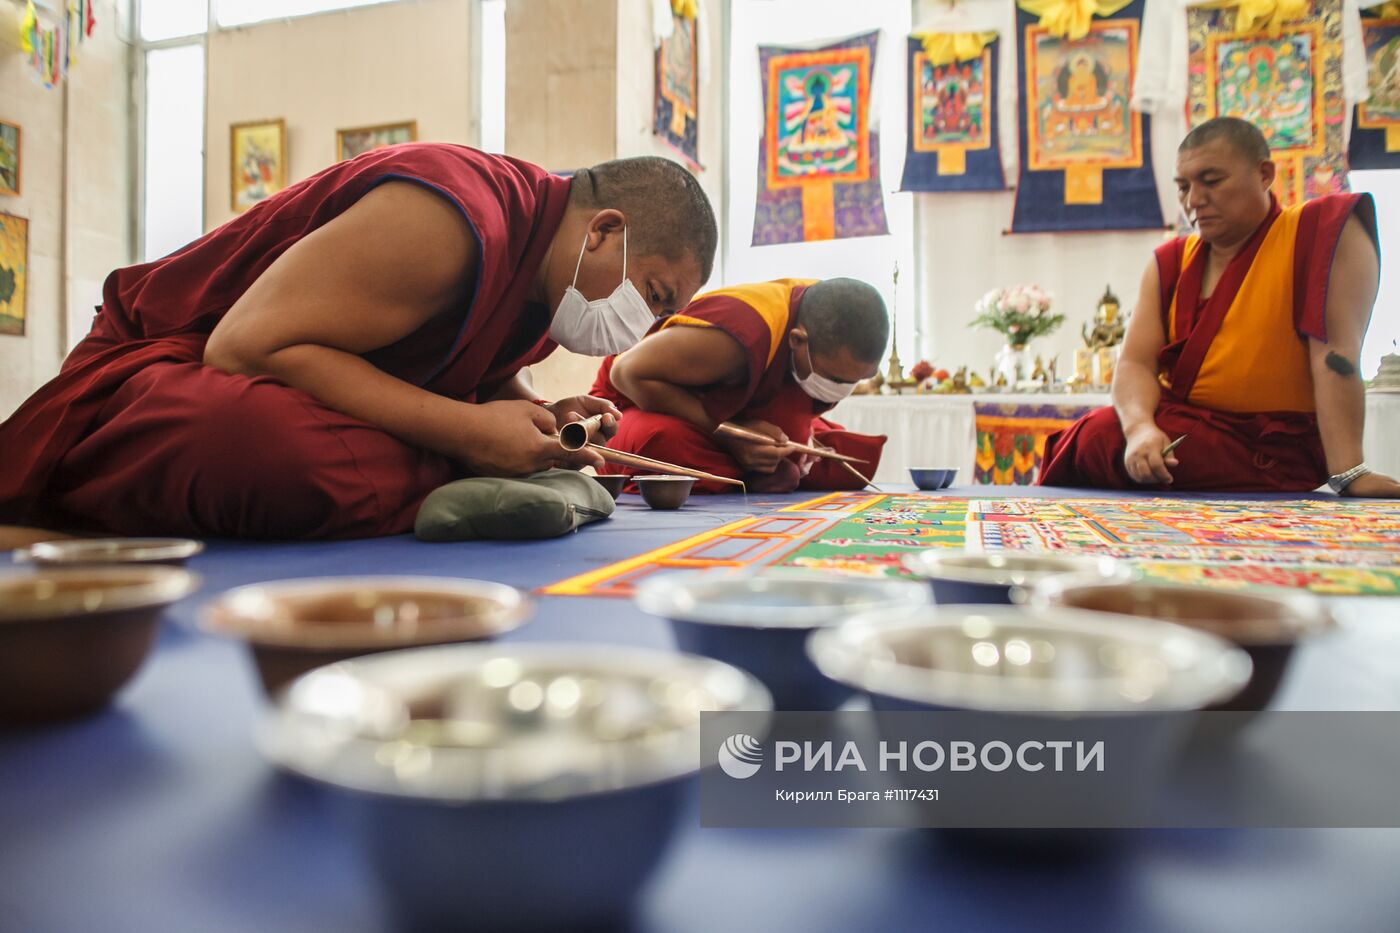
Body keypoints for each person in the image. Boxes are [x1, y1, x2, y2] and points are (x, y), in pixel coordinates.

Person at [0, 145, 718, 538]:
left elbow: (456, 366)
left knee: (346, 450)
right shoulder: (453, 217)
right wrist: (469, 431)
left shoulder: (541, 282)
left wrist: (536, 414)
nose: (644, 330)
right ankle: (454, 478)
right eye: (652, 296)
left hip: (312, 391)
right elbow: (243, 347)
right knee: (262, 441)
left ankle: (460, 477)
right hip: (159, 373)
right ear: (604, 231)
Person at [1039, 117, 1400, 497]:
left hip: (1275, 447)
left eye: (1211, 181)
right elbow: (1135, 363)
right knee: (1094, 438)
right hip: (1186, 433)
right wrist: (1140, 428)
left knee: (1098, 440)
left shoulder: (1317, 232)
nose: (1193, 200)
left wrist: (1348, 472)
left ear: (1264, 174)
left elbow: (1336, 353)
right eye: (1183, 187)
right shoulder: (1171, 261)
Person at [591, 277, 888, 493]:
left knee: (831, 454)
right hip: (633, 401)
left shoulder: (826, 315)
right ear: (797, 340)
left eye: (856, 381)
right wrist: (729, 433)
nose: (841, 391)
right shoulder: (738, 338)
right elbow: (626, 373)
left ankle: (763, 464)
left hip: (729, 403)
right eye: (835, 380)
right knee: (663, 441)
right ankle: (743, 472)